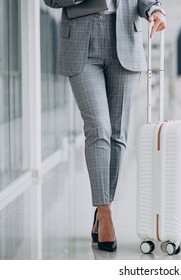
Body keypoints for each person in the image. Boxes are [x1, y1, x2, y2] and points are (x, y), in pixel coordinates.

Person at [43, 0, 166, 252]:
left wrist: (154, 8)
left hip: (124, 38)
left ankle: (103, 206)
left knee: (118, 133)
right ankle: (105, 211)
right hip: (80, 41)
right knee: (99, 127)